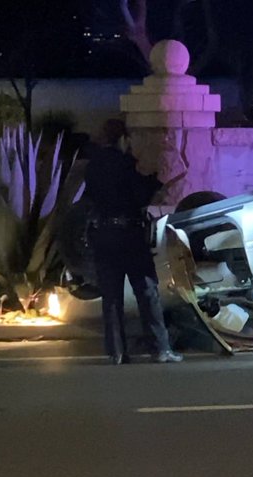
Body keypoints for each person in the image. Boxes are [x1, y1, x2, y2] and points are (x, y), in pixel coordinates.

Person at [84, 119, 183, 365]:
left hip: (103, 235)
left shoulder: (92, 166)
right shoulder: (126, 164)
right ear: (122, 139)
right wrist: (155, 182)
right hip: (129, 235)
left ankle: (116, 352)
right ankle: (160, 348)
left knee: (111, 296)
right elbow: (139, 195)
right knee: (147, 291)